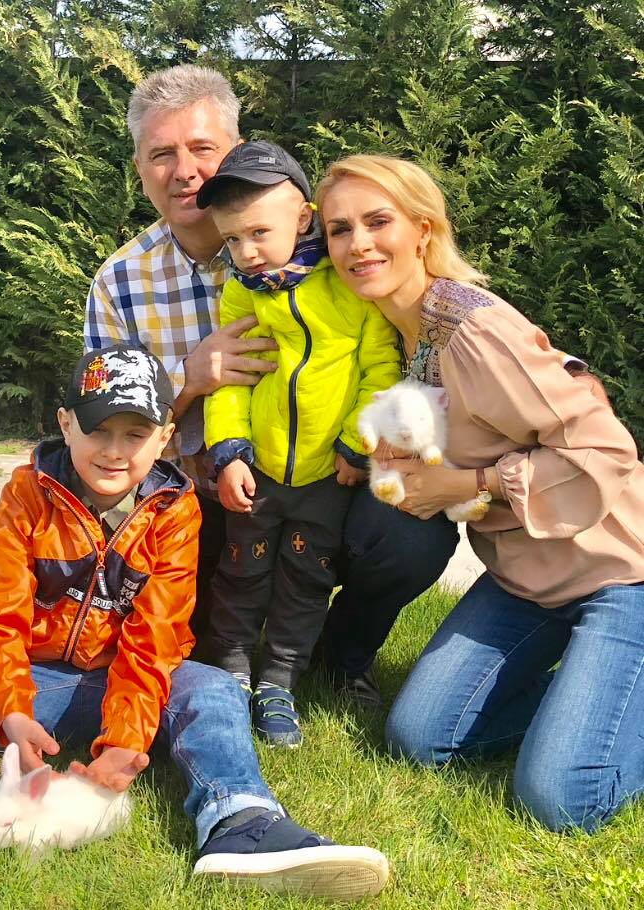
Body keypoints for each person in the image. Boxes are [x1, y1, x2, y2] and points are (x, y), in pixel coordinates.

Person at [0, 344, 389, 898]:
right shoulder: (24, 497)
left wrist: (124, 742)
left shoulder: (175, 511)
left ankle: (241, 822)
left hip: (135, 687)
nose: (114, 452)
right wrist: (12, 714)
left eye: (135, 434)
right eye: (97, 430)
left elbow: (155, 640)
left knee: (212, 687)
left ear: (165, 438)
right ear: (65, 424)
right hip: (38, 680)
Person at [84, 64, 459, 705]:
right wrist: (188, 383)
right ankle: (226, 647)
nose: (185, 171)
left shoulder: (329, 256)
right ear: (140, 169)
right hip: (196, 495)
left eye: (202, 148)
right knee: (189, 632)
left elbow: (410, 332)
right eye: (161, 154)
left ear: (237, 152)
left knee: (408, 534)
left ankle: (342, 652)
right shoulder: (120, 282)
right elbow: (99, 427)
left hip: (324, 474)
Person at [315, 153, 644, 833]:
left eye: (378, 221)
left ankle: (597, 714)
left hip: (619, 570)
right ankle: (588, 707)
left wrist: (472, 483)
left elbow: (605, 448)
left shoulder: (474, 328)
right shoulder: (400, 333)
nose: (358, 244)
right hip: (527, 578)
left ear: (423, 230)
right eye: (339, 229)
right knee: (421, 738)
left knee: (561, 800)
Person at [195, 140, 400, 745]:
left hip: (325, 475)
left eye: (259, 233)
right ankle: (232, 668)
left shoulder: (347, 288)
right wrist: (229, 450)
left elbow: (381, 370)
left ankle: (280, 678)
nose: (246, 252)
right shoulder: (242, 292)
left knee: (304, 581)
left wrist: (356, 444)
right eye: (232, 240)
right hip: (257, 471)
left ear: (304, 219)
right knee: (241, 572)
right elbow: (229, 384)